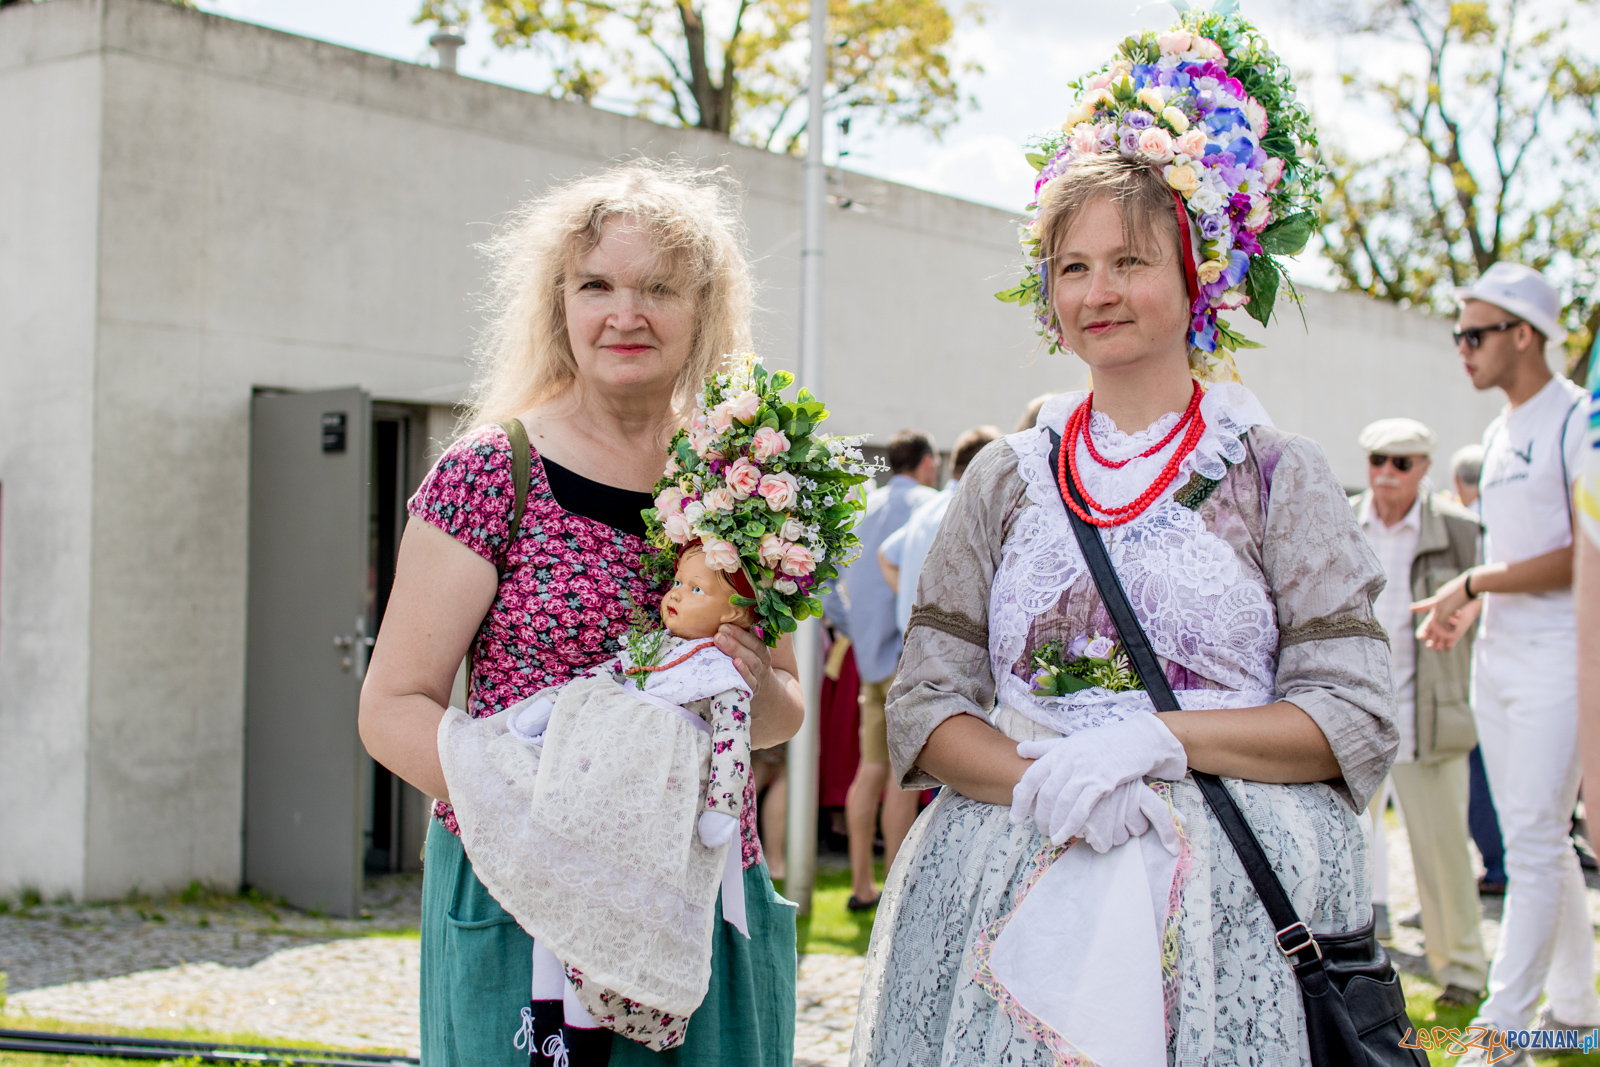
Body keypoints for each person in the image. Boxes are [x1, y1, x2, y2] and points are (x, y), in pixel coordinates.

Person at [851, 18, 1396, 1062]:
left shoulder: (1276, 471)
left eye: (1130, 261)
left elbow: (1351, 711)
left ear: (1199, 273)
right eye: (1072, 266)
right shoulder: (1004, 477)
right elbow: (925, 703)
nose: (1097, 291)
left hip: (1227, 888)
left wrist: (1159, 743)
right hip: (1012, 855)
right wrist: (1045, 778)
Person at [358, 163, 803, 1067]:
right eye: (595, 285)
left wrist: (749, 678)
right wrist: (532, 804)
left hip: (701, 889)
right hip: (528, 900)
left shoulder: (740, 480)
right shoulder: (493, 471)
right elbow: (390, 705)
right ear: (558, 302)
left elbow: (786, 705)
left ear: (703, 305)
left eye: (657, 288)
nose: (623, 314)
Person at [1414, 261, 1598, 1053]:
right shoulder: (1495, 434)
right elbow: (1517, 550)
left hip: (1562, 660)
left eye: (1475, 333)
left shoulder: (1579, 421)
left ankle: (1502, 1026)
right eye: (1457, 334)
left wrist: (1475, 580)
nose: (1462, 348)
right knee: (1540, 838)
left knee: (1529, 838)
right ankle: (1579, 1004)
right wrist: (1476, 605)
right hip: (1501, 656)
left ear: (1525, 334)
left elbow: (1580, 555)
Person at [1352, 417, 1488, 1006]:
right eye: (1378, 460)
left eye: (1400, 463)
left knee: (1442, 851)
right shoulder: (1342, 518)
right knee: (1345, 851)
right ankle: (1345, 974)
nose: (1385, 474)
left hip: (1426, 714)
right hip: (1353, 716)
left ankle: (1461, 973)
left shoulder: (1459, 529)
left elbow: (1485, 603)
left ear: (1425, 468)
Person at [826, 430, 938, 910]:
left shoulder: (862, 507)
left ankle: (859, 885)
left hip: (870, 656)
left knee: (870, 769)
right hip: (907, 655)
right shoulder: (930, 504)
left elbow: (826, 581)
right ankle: (894, 890)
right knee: (900, 775)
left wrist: (855, 628)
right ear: (927, 462)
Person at [1450, 442, 1509, 894]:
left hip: (1496, 666)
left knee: (1484, 773)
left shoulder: (1477, 524)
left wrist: (1471, 585)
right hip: (1490, 664)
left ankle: (1498, 865)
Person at [878, 425, 1001, 633]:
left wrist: (917, 607)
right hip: (948, 650)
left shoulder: (928, 507)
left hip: (916, 643)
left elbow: (885, 556)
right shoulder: (971, 511)